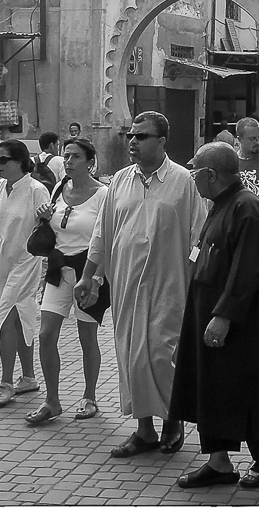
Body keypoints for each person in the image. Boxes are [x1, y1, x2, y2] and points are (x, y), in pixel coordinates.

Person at [170, 143, 259, 489]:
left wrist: (224, 316)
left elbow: (248, 268)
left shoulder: (246, 207)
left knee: (250, 392)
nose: (192, 177)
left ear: (212, 175)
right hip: (209, 314)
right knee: (213, 389)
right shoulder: (220, 205)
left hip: (242, 325)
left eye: (195, 171)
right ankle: (219, 463)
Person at [74, 111, 206, 458]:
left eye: (141, 136)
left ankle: (171, 422)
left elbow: (199, 237)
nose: (132, 142)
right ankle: (144, 430)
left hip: (171, 283)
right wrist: (89, 275)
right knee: (132, 356)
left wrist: (195, 280)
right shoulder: (119, 181)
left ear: (162, 142)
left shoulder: (184, 181)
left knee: (163, 353)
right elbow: (102, 232)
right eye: (130, 135)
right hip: (126, 283)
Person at [25, 137, 110, 426]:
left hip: (87, 270)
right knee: (47, 334)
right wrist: (45, 216)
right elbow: (51, 227)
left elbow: (106, 239)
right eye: (66, 156)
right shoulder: (60, 189)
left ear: (90, 162)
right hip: (58, 269)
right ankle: (52, 400)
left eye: (75, 156)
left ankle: (89, 396)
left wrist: (97, 277)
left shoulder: (103, 195)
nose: (69, 161)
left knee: (87, 337)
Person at [0, 139, 51, 406]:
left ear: (19, 162)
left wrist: (47, 216)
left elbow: (47, 227)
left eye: (3, 160)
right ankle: (29, 377)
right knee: (21, 318)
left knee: (5, 318)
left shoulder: (36, 190)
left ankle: (6, 382)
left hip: (25, 261)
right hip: (1, 262)